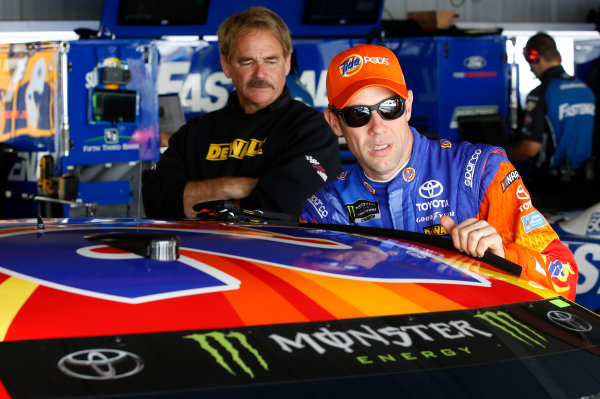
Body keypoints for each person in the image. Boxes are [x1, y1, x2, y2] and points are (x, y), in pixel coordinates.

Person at [300, 44, 578, 300]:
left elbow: (565, 278)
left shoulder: (480, 171)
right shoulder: (326, 209)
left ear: (408, 106)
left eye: (390, 108)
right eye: (357, 114)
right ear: (334, 123)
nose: (378, 127)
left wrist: (504, 257)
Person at [142, 6, 341, 219]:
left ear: (287, 62)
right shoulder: (194, 133)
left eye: (270, 61)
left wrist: (193, 198)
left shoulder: (312, 131)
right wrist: (234, 186)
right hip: (199, 251)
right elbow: (157, 202)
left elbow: (285, 209)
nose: (260, 74)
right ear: (226, 65)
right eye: (247, 62)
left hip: (278, 252)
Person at [507, 32, 596, 188]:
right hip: (588, 182)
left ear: (533, 57)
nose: (530, 69)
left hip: (553, 185)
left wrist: (496, 153)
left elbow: (529, 149)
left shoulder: (541, 94)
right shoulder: (586, 90)